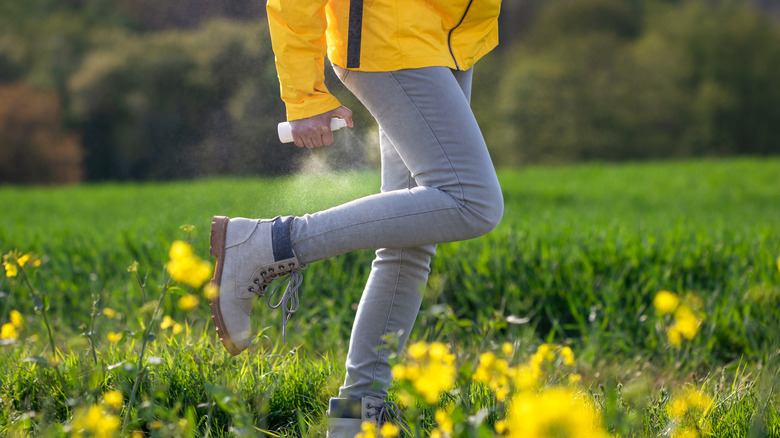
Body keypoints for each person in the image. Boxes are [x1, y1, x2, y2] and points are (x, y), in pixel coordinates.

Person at [209, 0, 504, 436]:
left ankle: (353, 421)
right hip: (391, 36)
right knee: (471, 201)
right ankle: (269, 244)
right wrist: (305, 95)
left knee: (411, 241)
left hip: (444, 33)